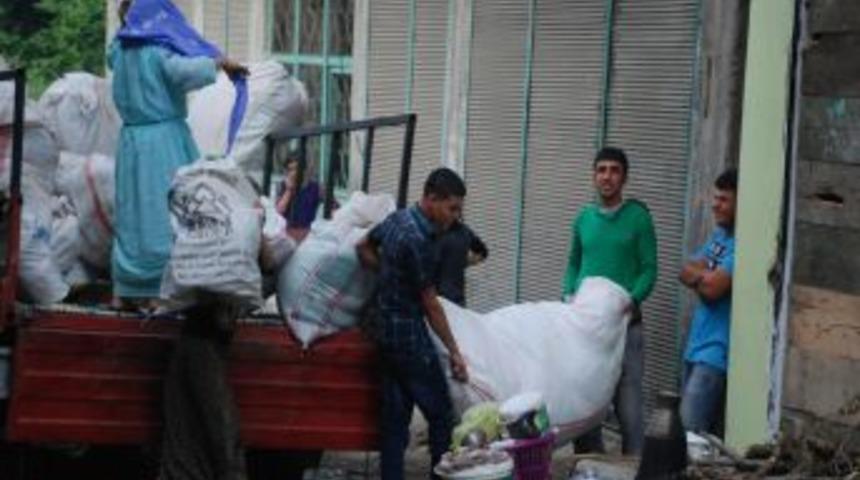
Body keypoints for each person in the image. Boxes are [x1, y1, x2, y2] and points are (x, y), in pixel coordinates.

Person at [110, 0, 248, 309]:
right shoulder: (158, 53)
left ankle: (127, 289)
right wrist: (220, 63)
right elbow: (184, 71)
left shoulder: (119, 50)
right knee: (165, 213)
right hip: (162, 142)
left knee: (133, 216)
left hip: (131, 141)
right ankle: (161, 287)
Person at [356, 167, 469, 480]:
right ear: (431, 199)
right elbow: (430, 304)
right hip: (408, 339)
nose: (455, 216)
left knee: (395, 420)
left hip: (383, 334)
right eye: (452, 208)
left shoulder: (398, 219)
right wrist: (455, 352)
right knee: (441, 415)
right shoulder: (418, 238)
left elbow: (363, 246)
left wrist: (389, 276)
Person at [562, 147, 657, 455]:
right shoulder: (583, 219)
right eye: (601, 169)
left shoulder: (638, 218)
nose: (607, 176)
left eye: (614, 170)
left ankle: (634, 467)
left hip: (627, 327)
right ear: (594, 175)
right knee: (586, 400)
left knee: (628, 405)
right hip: (587, 329)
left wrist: (632, 299)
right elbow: (574, 262)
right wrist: (568, 294)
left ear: (624, 177)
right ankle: (591, 465)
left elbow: (649, 268)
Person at [678, 168, 738, 436]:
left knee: (688, 436)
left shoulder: (742, 244)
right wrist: (706, 276)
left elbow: (713, 289)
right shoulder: (719, 238)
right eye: (716, 198)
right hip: (694, 349)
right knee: (690, 436)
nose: (715, 205)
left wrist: (703, 278)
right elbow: (685, 269)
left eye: (724, 199)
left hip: (715, 355)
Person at [434, 219, 488, 307]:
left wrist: (463, 262)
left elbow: (482, 252)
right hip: (434, 298)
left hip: (453, 298)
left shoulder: (463, 231)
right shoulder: (427, 229)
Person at [275, 155, 321, 241]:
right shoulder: (283, 186)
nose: (294, 173)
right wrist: (289, 190)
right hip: (287, 234)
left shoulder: (315, 188)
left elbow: (333, 207)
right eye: (290, 169)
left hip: (306, 233)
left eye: (296, 169)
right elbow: (279, 211)